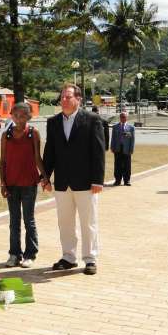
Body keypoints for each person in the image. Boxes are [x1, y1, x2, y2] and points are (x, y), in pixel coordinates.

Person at [43, 83, 105, 276]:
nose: (63, 100)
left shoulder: (92, 120)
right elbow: (49, 153)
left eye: (68, 97)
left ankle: (90, 258)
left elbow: (98, 152)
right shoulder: (53, 122)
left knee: (88, 222)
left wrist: (98, 180)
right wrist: (45, 178)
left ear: (78, 99)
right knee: (65, 222)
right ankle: (68, 257)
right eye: (61, 97)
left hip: (86, 183)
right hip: (62, 183)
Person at [0, 102, 49, 269]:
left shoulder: (33, 134)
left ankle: (30, 254)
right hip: (11, 184)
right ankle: (14, 254)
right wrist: (2, 183)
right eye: (16, 115)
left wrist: (45, 177)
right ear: (11, 116)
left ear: (29, 117)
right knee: (14, 221)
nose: (19, 119)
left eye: (22, 116)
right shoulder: (6, 135)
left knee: (29, 220)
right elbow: (3, 161)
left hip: (29, 183)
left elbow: (37, 157)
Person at [110, 111, 135, 186]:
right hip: (117, 148)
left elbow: (132, 139)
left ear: (127, 117)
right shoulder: (115, 127)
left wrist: (131, 149)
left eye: (124, 117)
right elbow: (113, 138)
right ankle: (117, 180)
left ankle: (127, 180)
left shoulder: (131, 128)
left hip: (126, 149)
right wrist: (112, 147)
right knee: (117, 165)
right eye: (121, 117)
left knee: (127, 165)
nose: (122, 118)